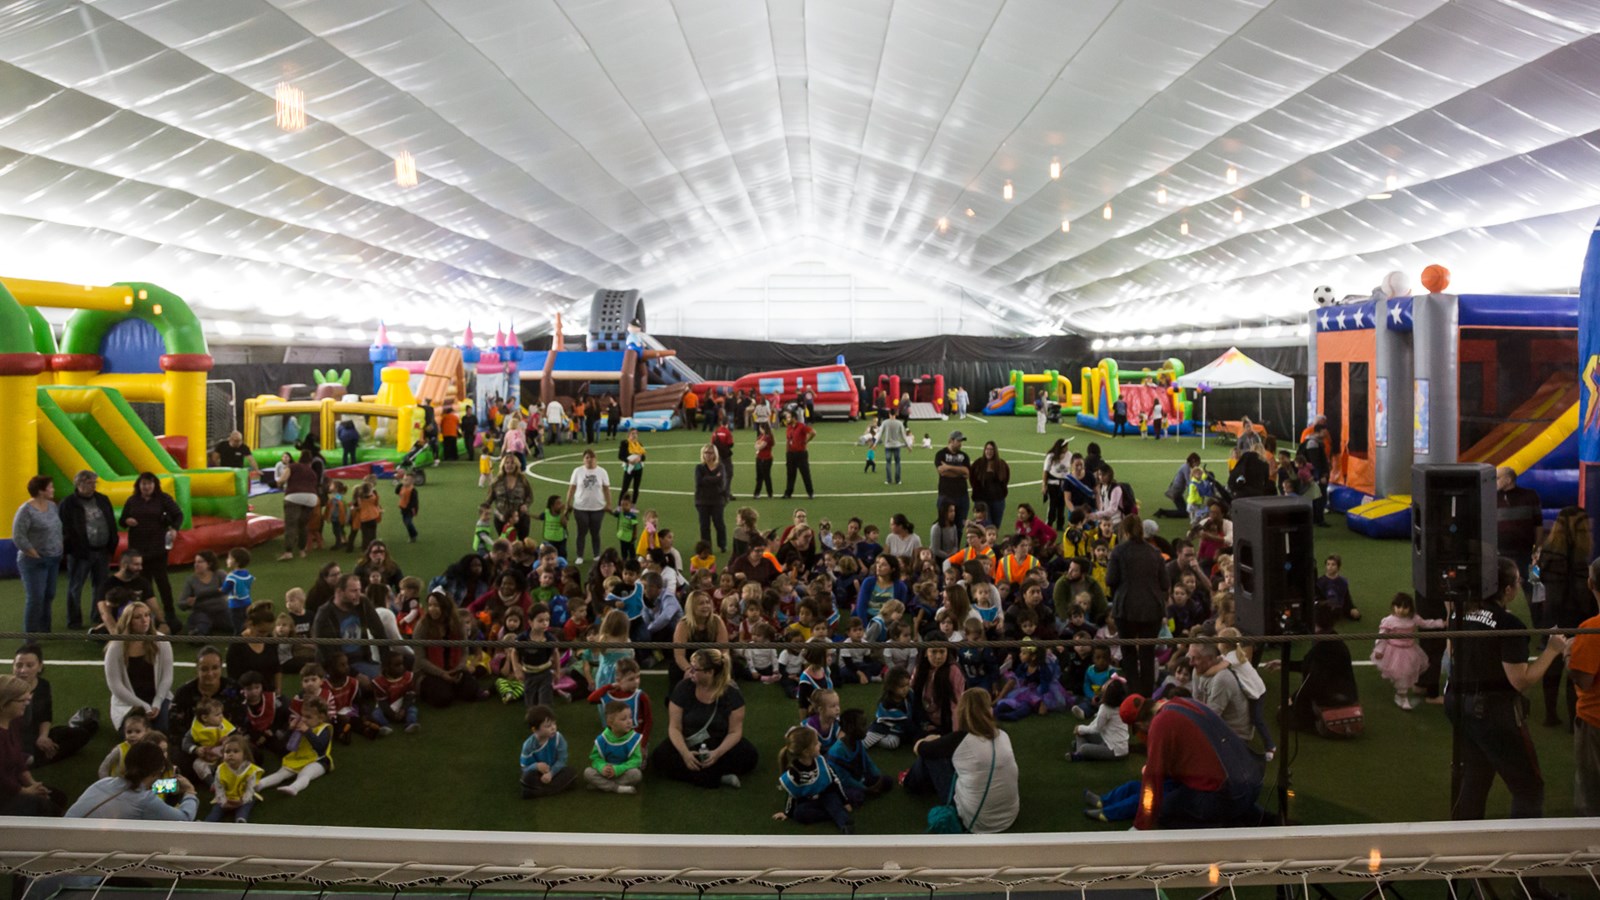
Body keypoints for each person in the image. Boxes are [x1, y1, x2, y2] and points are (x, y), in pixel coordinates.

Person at [1444, 556, 1566, 821]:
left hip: (1458, 703)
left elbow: (1451, 654)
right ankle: (1522, 855)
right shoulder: (1510, 625)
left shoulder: (1459, 611)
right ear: (1508, 590)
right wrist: (1553, 650)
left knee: (1476, 775)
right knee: (1528, 788)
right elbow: (1520, 680)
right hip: (1493, 713)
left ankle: (1463, 845)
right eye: (1517, 582)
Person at [903, 688, 1020, 833]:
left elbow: (919, 749)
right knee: (952, 756)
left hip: (976, 822)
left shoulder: (958, 740)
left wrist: (928, 739)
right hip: (1009, 816)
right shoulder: (1003, 735)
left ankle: (909, 782)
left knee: (931, 756)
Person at [650, 648, 760, 788]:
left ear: (710, 672)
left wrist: (717, 753)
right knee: (660, 758)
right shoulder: (683, 688)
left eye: (695, 669)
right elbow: (674, 727)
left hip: (720, 742)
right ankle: (718, 777)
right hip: (688, 741)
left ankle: (703, 774)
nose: (690, 672)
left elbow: (735, 731)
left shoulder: (732, 694)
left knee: (749, 756)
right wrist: (685, 753)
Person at [1534, 506, 1594, 727]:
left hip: (1551, 616)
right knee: (1574, 667)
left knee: (1552, 665)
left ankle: (1550, 715)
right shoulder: (1579, 558)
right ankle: (1573, 719)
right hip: (1575, 618)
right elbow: (1580, 595)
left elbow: (1538, 585)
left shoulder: (1547, 554)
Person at [1265, 604, 1360, 734]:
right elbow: (1311, 667)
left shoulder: (1325, 648)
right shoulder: (1332, 639)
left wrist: (1293, 700)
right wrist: (1285, 664)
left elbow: (1312, 682)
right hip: (1344, 693)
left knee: (1283, 715)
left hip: (1332, 698)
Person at [1107, 515, 1169, 697]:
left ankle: (1134, 695)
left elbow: (1110, 579)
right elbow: (1165, 584)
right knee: (1147, 654)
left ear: (1124, 531)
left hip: (1126, 608)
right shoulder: (1155, 552)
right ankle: (1147, 696)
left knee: (1129, 653)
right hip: (1152, 608)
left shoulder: (1118, 552)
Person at [10, 644, 97, 767]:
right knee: (29, 757)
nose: (23, 670)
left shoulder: (43, 685)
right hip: (14, 740)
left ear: (40, 667)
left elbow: (46, 715)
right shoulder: (6, 689)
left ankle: (39, 757)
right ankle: (33, 760)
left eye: (30, 665)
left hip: (36, 734)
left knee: (81, 734)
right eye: (19, 665)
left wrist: (43, 737)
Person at [65, 739, 196, 821]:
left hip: (59, 840)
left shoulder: (103, 782)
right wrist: (190, 792)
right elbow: (184, 819)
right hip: (84, 858)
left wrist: (171, 786)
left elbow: (135, 788)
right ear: (158, 771)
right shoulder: (145, 801)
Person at [119, 472, 184, 630]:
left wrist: (174, 528)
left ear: (154, 485)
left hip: (158, 548)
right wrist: (127, 521)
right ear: (138, 485)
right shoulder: (132, 500)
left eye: (149, 483)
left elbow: (178, 515)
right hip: (138, 550)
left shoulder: (163, 499)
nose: (146, 487)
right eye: (143, 484)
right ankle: (146, 614)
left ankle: (169, 612)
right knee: (142, 583)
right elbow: (122, 520)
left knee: (162, 582)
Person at [58, 470, 117, 632]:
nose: (92, 486)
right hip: (80, 553)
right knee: (75, 587)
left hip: (102, 550)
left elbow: (111, 521)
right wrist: (73, 546)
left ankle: (98, 615)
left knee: (100, 585)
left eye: (94, 483)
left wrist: (112, 543)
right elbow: (63, 528)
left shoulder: (102, 500)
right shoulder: (68, 503)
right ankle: (74, 620)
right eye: (89, 483)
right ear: (79, 484)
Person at [104, 601, 174, 735]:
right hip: (129, 702)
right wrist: (143, 706)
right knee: (135, 734)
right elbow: (115, 685)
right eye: (138, 617)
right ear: (128, 621)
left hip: (157, 698)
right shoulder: (116, 647)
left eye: (147, 615)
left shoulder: (162, 641)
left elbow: (167, 677)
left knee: (163, 730)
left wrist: (157, 702)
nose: (144, 620)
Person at [1565, 556, 1600, 815]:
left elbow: (1584, 680)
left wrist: (1568, 654)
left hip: (1594, 722)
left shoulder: (1591, 630)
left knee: (1590, 796)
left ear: (1591, 584)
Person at [773, 724, 855, 833]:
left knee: (832, 800)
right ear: (806, 752)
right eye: (816, 743)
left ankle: (845, 824)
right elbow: (791, 794)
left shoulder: (821, 761)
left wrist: (845, 801)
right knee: (799, 814)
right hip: (809, 801)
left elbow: (835, 781)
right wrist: (787, 813)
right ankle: (835, 813)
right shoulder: (793, 773)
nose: (820, 744)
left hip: (827, 794)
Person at [1372, 592, 1444, 710]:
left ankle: (1401, 694)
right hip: (1394, 652)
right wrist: (1379, 649)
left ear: (1410, 608)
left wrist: (1440, 623)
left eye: (1405, 607)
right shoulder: (1388, 621)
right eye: (1398, 607)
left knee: (1407, 674)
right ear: (1393, 607)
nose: (1401, 610)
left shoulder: (1413, 618)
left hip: (1410, 651)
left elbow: (1425, 624)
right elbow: (1382, 636)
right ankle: (1402, 696)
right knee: (1402, 675)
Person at [12, 475, 63, 635]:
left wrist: (59, 546)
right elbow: (18, 536)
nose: (53, 489)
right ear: (41, 491)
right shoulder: (26, 510)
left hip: (54, 558)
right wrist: (33, 553)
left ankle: (45, 629)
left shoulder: (52, 506)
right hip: (33, 561)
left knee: (49, 595)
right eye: (50, 487)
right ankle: (31, 635)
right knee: (36, 598)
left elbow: (56, 528)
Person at [1496, 466, 1543, 590]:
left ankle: (1535, 605)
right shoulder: (1491, 498)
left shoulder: (1530, 495)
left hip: (1526, 551)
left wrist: (1537, 549)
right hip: (1501, 552)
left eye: (1497, 478)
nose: (1494, 481)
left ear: (1508, 479)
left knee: (1533, 583)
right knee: (1505, 585)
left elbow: (1538, 524)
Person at [565, 448, 613, 565]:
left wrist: (609, 504)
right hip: (580, 507)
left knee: (595, 532)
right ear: (583, 459)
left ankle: (596, 554)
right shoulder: (577, 471)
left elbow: (606, 489)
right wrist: (568, 503)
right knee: (581, 532)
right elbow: (572, 488)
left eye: (592, 457)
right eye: (587, 457)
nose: (589, 460)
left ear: (595, 459)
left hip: (598, 508)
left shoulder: (602, 472)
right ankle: (579, 555)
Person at [585, 701, 644, 794]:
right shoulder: (602, 739)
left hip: (624, 771)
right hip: (606, 772)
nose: (629, 721)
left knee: (636, 774)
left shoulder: (634, 738)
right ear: (610, 722)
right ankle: (617, 788)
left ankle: (601, 785)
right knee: (588, 772)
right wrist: (602, 767)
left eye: (630, 717)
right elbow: (595, 758)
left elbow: (637, 760)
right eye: (624, 719)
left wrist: (618, 769)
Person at [520, 704, 578, 799]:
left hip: (554, 771)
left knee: (571, 773)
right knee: (527, 778)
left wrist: (551, 773)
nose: (553, 728)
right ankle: (552, 789)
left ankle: (537, 792)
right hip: (538, 774)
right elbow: (524, 768)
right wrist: (536, 766)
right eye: (548, 726)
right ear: (534, 729)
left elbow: (562, 760)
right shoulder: (528, 745)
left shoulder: (559, 738)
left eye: (554, 724)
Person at [486, 456, 535, 541]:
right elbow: (489, 499)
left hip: (520, 518)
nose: (509, 465)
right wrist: (485, 511)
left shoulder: (523, 480)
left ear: (516, 465)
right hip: (501, 518)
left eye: (512, 463)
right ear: (503, 465)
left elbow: (529, 496)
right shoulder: (497, 481)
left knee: (522, 544)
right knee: (505, 545)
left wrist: (526, 505)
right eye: (507, 463)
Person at [933, 431, 972, 531]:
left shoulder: (964, 456)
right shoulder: (941, 454)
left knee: (959, 527)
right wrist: (960, 472)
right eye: (958, 441)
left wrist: (949, 467)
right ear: (951, 440)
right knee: (945, 525)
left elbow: (967, 473)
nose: (960, 444)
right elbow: (942, 472)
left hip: (962, 496)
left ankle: (957, 546)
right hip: (946, 495)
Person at [694, 444, 729, 555]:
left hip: (717, 500)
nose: (708, 455)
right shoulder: (699, 468)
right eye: (706, 452)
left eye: (710, 452)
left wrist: (707, 479)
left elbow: (722, 482)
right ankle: (706, 548)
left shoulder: (721, 467)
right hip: (702, 500)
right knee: (704, 526)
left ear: (715, 454)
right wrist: (715, 478)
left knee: (719, 523)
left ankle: (722, 544)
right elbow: (699, 482)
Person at [970, 441, 1010, 529]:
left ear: (995, 451)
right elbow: (972, 478)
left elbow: (1005, 479)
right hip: (982, 501)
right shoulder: (978, 464)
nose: (989, 451)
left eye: (991, 449)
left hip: (998, 500)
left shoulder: (1001, 464)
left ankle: (992, 542)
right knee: (986, 526)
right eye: (987, 449)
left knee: (995, 526)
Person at [782, 413, 816, 499]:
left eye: (789, 417)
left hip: (801, 454)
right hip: (791, 454)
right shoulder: (789, 427)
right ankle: (788, 493)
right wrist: (787, 452)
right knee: (790, 474)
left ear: (794, 418)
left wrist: (805, 441)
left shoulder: (801, 426)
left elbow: (813, 432)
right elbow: (788, 440)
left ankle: (810, 492)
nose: (787, 419)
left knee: (805, 473)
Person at [617, 428, 646, 503]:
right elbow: (620, 456)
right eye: (632, 433)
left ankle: (633, 505)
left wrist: (639, 458)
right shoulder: (625, 443)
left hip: (638, 468)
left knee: (636, 488)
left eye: (636, 433)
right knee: (625, 488)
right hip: (629, 468)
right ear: (629, 434)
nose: (634, 435)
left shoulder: (639, 444)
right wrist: (629, 461)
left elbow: (644, 457)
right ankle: (619, 506)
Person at [879, 413, 909, 485]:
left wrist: (874, 443)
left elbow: (880, 433)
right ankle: (898, 480)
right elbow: (903, 435)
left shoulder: (885, 422)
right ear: (895, 415)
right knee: (897, 463)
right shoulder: (899, 423)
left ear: (889, 414)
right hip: (897, 445)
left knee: (888, 463)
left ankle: (889, 480)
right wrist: (907, 445)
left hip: (888, 446)